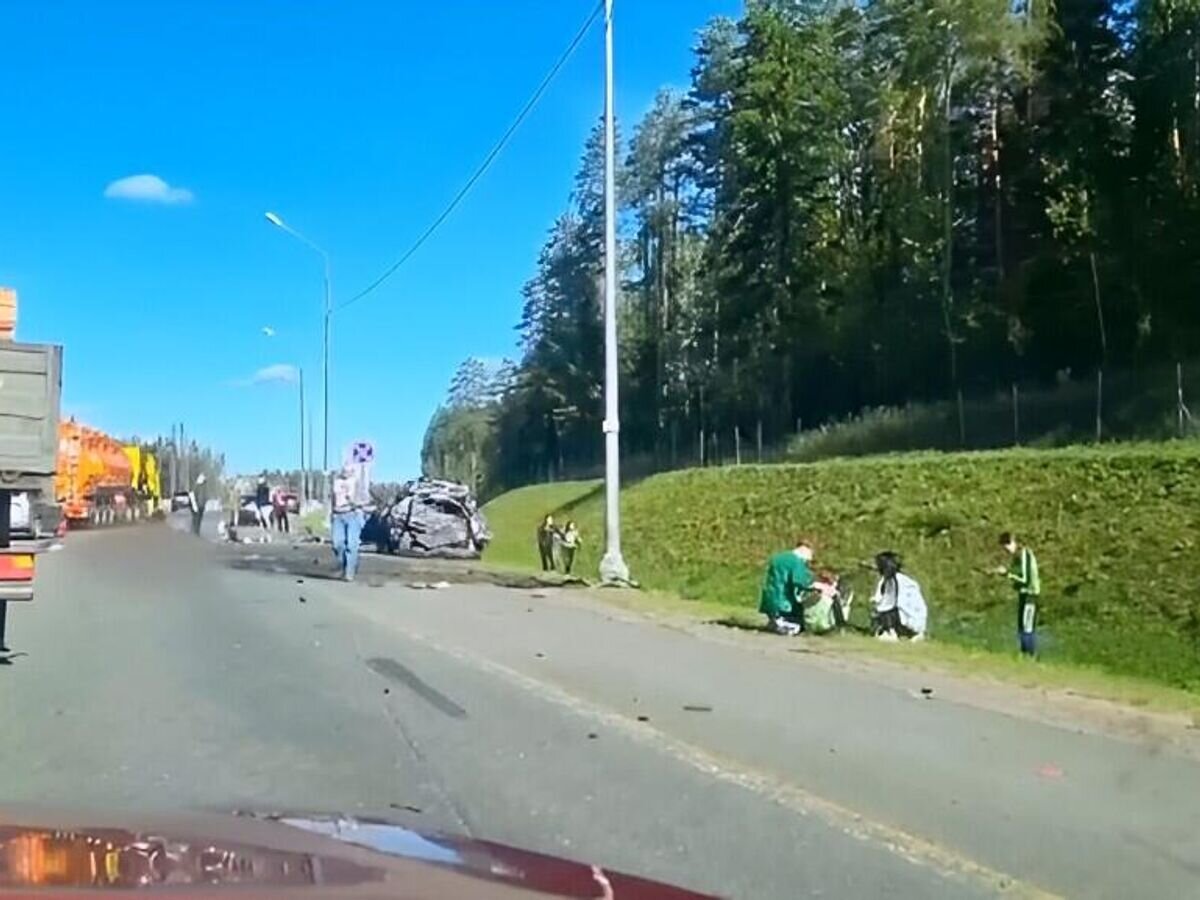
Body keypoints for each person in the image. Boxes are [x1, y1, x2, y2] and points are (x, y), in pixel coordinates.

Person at [758, 539, 820, 635]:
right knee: (798, 624)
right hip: (783, 601)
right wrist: (816, 584)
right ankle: (783, 625)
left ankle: (774, 621)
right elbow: (800, 581)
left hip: (770, 597)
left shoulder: (778, 558)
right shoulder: (796, 561)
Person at [871, 551, 928, 641]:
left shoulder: (898, 581)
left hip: (912, 619)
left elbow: (891, 604)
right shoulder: (889, 580)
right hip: (909, 617)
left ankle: (892, 632)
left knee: (885, 610)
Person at [999, 532, 1040, 656]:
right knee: (1021, 626)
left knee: (1027, 627)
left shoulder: (1025, 554)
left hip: (1030, 595)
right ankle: (1024, 653)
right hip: (1023, 594)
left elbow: (1025, 579)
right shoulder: (1016, 557)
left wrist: (1007, 574)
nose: (1006, 550)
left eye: (1007, 545)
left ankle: (1030, 654)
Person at [330, 467, 365, 582]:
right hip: (338, 516)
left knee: (351, 545)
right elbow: (333, 499)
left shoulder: (356, 482)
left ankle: (349, 572)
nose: (346, 471)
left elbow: (364, 500)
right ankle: (345, 564)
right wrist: (331, 514)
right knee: (337, 543)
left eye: (349, 469)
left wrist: (354, 502)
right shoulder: (336, 482)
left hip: (352, 515)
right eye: (344, 469)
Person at [800, 571, 853, 635]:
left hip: (821, 611)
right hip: (822, 610)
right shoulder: (819, 586)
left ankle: (840, 625)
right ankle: (840, 626)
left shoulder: (820, 586)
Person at [254, 474, 272, 542]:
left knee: (265, 520)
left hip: (264, 506)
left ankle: (268, 536)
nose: (259, 480)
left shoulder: (264, 488)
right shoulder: (260, 488)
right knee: (261, 520)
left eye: (260, 478)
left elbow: (262, 497)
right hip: (261, 506)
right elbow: (257, 498)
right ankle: (263, 537)